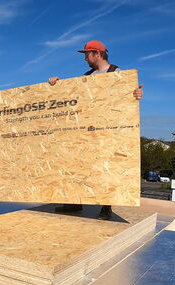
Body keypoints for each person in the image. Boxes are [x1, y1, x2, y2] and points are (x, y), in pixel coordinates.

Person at [48, 40, 144, 220]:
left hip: (109, 130)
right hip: (87, 131)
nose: (85, 58)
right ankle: (74, 203)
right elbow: (75, 96)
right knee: (77, 163)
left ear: (97, 54)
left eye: (87, 54)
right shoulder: (88, 76)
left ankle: (106, 207)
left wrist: (137, 95)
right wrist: (57, 85)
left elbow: (128, 97)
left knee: (106, 166)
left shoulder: (117, 74)